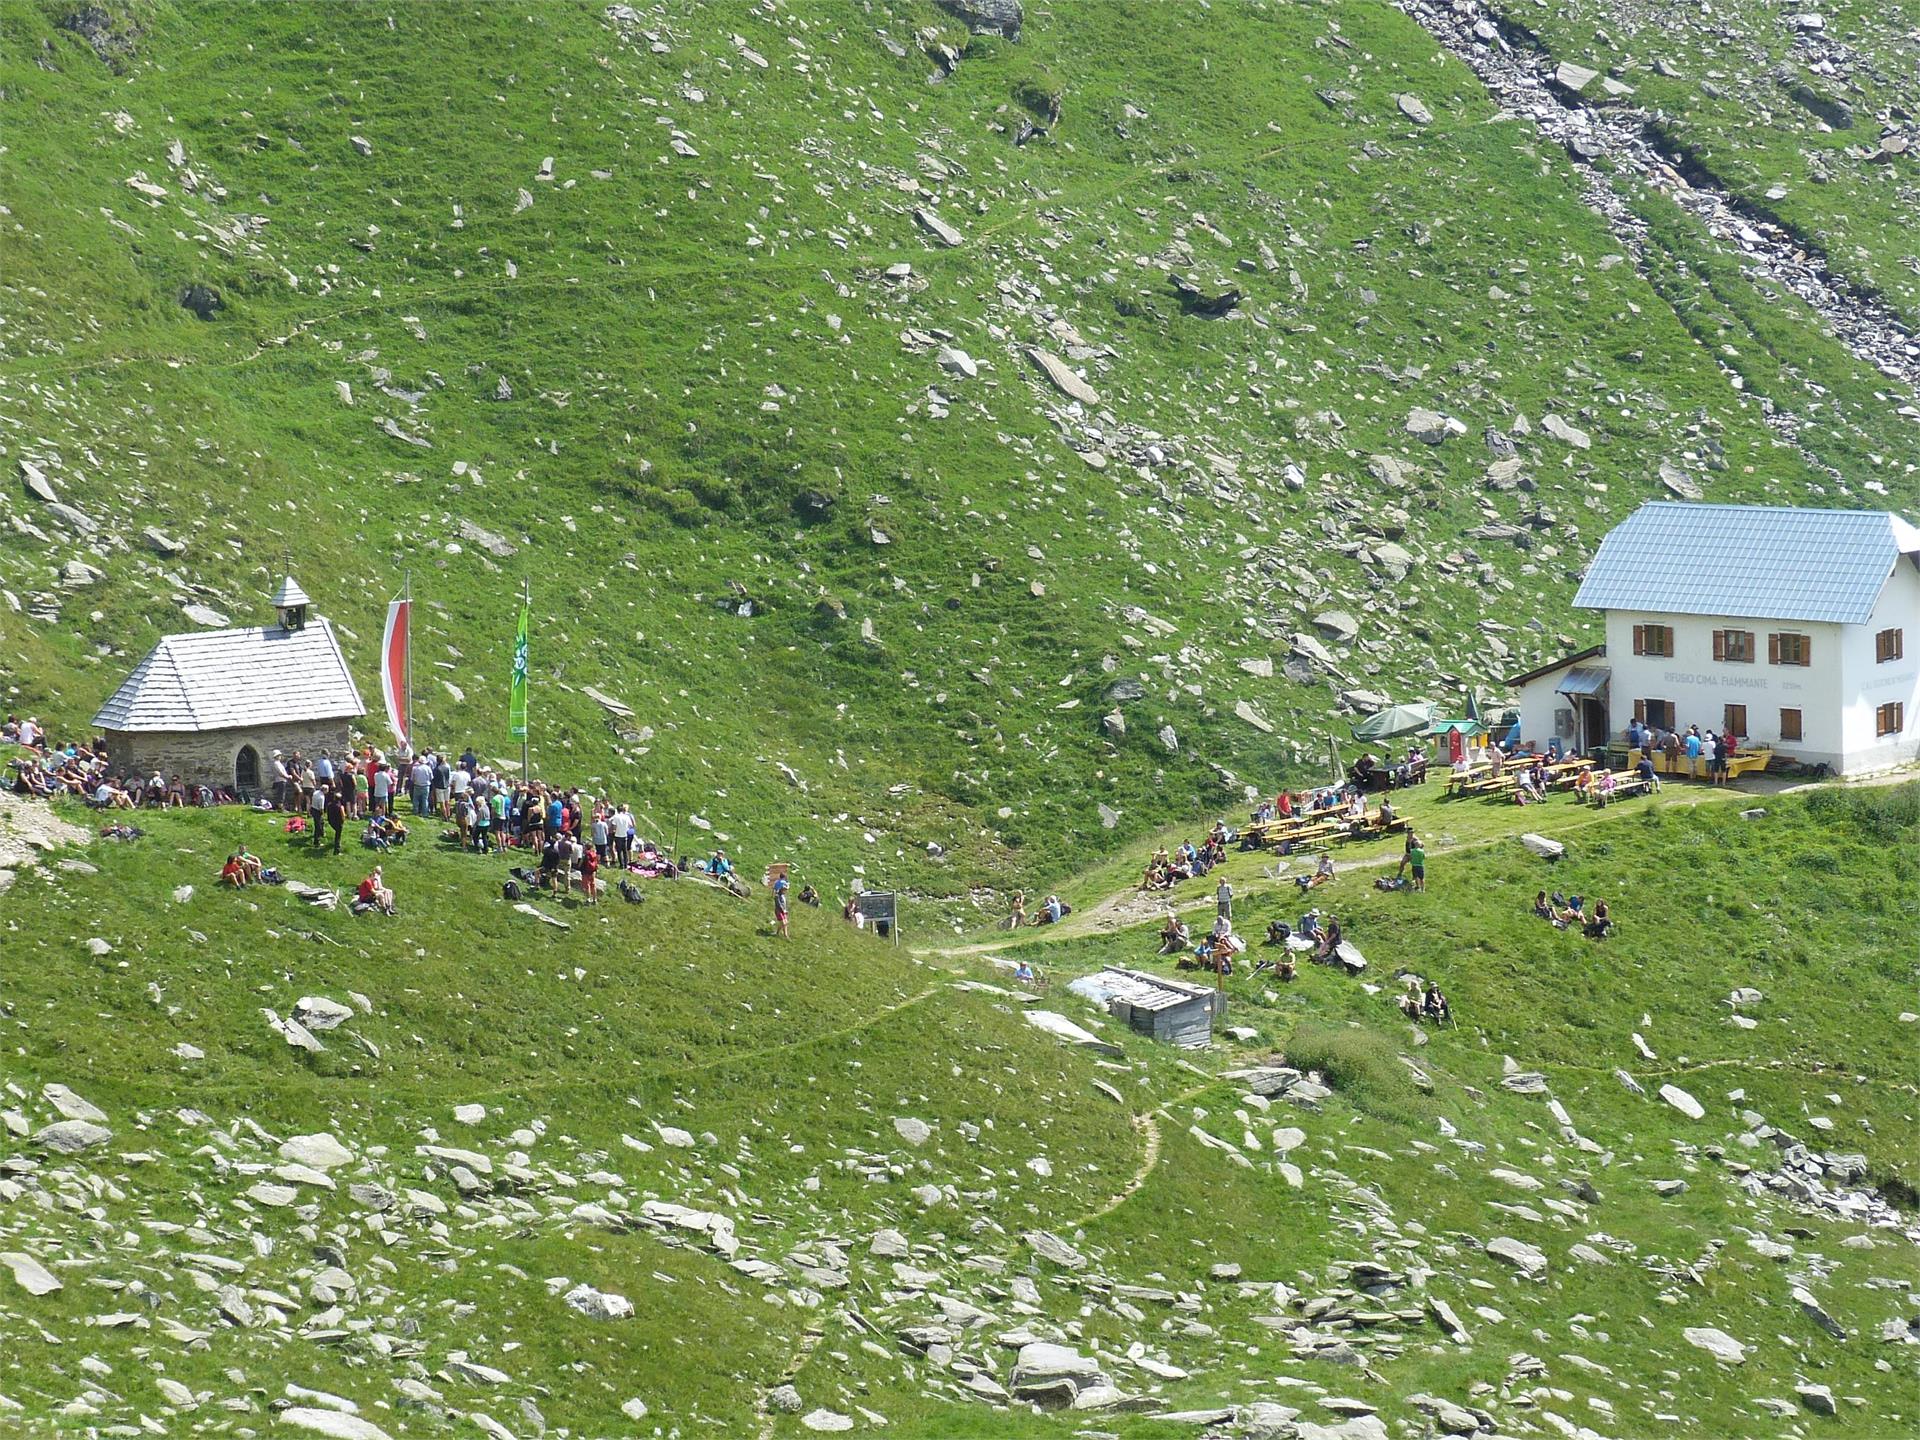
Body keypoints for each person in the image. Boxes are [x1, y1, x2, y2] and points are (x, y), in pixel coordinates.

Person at [325, 784, 347, 855]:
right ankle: (337, 850)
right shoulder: (340, 807)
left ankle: (335, 844)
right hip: (338, 822)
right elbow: (343, 816)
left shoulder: (329, 804)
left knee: (336, 832)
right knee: (338, 836)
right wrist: (343, 821)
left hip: (331, 821)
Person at [772, 869, 789, 937]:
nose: (785, 891)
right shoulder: (777, 896)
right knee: (784, 923)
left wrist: (785, 909)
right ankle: (784, 934)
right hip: (779, 911)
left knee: (785, 923)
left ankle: (780, 933)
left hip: (783, 910)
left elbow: (774, 888)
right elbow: (779, 904)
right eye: (784, 890)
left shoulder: (782, 896)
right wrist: (783, 910)